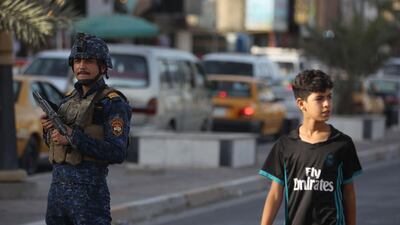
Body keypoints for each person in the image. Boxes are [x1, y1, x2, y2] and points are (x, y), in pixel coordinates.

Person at [40, 33, 132, 225]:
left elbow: (117, 152)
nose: (81, 66)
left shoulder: (112, 103)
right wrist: (49, 131)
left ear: (103, 66)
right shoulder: (67, 101)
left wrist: (74, 138)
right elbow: (56, 147)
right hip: (57, 195)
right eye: (77, 60)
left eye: (89, 61)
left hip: (89, 197)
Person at [259, 70, 362, 225]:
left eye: (329, 97)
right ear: (301, 104)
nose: (327, 103)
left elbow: (349, 194)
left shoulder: (342, 144)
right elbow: (275, 194)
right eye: (319, 99)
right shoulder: (285, 146)